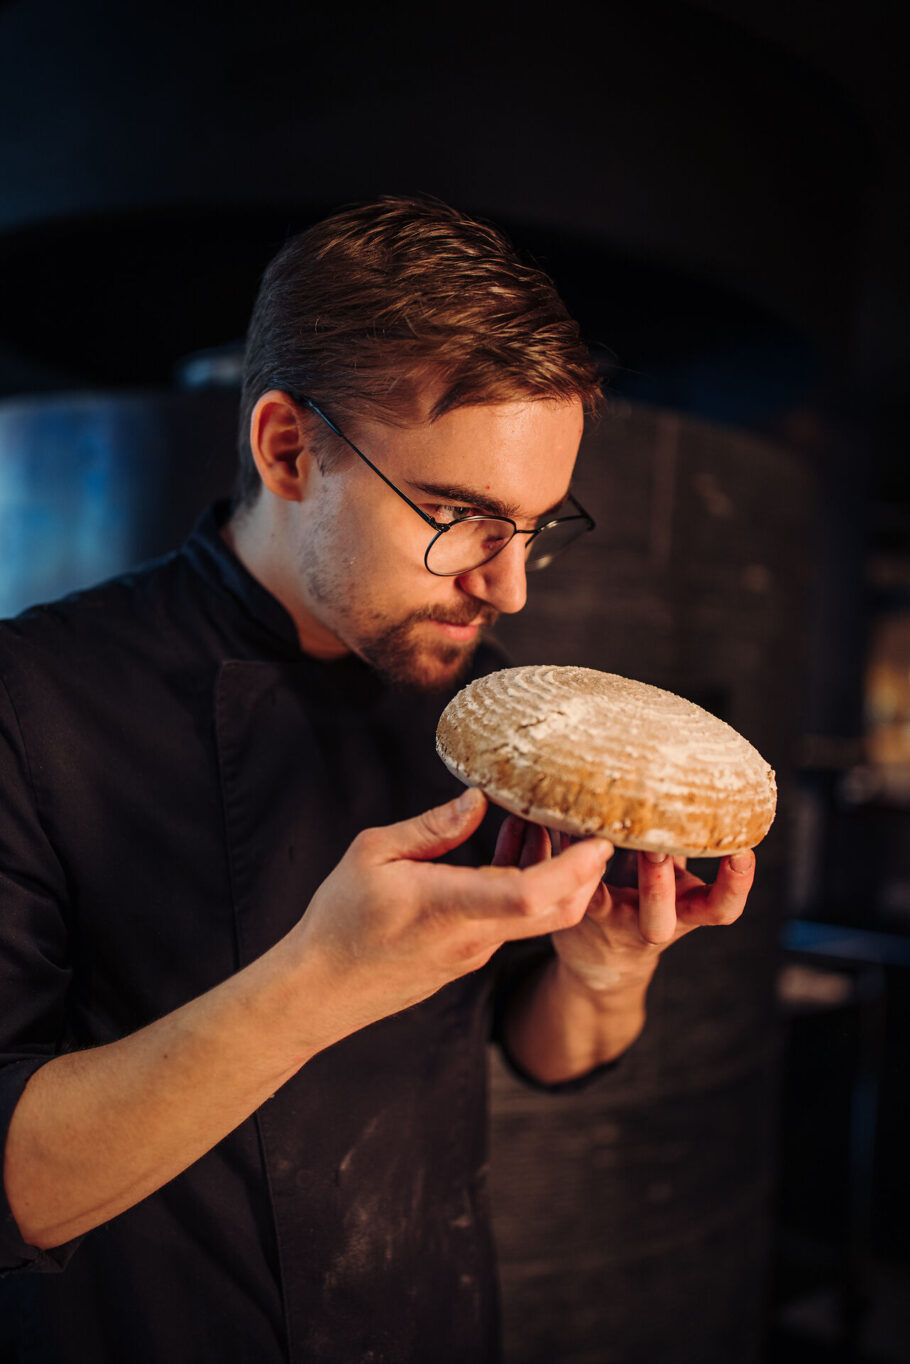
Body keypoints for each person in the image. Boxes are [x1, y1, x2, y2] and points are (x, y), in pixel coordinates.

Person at [0, 196, 755, 1363]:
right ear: (288, 448)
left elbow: (544, 1050)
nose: (507, 590)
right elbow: (14, 1191)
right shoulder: (30, 696)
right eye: (460, 517)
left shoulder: (497, 711)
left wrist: (604, 974)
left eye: (539, 527)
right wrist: (318, 981)